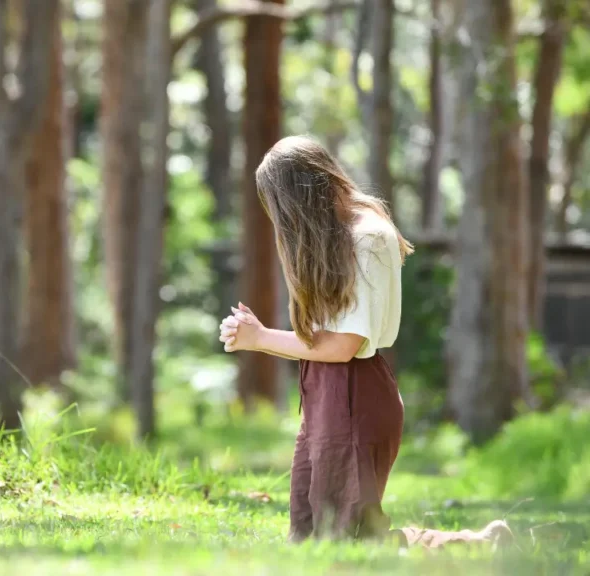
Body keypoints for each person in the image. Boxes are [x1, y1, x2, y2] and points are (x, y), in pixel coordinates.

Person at [218, 135, 511, 548]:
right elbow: (324, 339)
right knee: (310, 540)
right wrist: (256, 336)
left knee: (343, 542)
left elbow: (343, 346)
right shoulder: (336, 237)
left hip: (354, 397)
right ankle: (478, 543)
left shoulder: (367, 237)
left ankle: (474, 546)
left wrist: (261, 337)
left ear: (306, 194)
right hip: (323, 394)